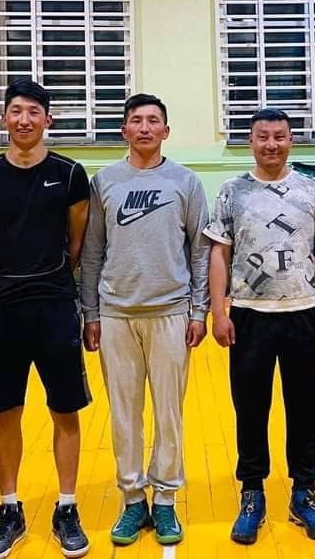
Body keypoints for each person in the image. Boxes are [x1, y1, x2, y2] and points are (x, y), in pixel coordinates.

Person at [0, 78, 92, 559]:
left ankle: (67, 506)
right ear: (5, 118)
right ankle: (9, 507)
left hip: (56, 304)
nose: (24, 120)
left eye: (33, 112)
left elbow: (76, 241)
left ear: (47, 120)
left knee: (65, 409)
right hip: (2, 307)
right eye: (16, 111)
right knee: (6, 410)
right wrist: (8, 275)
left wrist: (51, 276)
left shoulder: (70, 173)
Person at [205, 108, 315, 546]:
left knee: (305, 409)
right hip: (249, 314)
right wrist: (219, 311)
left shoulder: (312, 190)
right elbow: (219, 254)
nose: (271, 144)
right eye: (263, 136)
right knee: (250, 408)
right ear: (250, 141)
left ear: (291, 141)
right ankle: (252, 493)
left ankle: (304, 492)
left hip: (304, 313)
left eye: (279, 136)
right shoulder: (233, 191)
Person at [80, 94, 210, 547]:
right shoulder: (104, 182)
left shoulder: (186, 181)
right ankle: (133, 498)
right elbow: (92, 251)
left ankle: (166, 499)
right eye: (136, 120)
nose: (145, 128)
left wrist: (199, 310)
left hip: (171, 311)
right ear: (124, 130)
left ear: (166, 131)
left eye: (154, 120)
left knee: (169, 414)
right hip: (115, 313)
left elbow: (200, 251)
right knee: (124, 414)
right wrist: (91, 312)